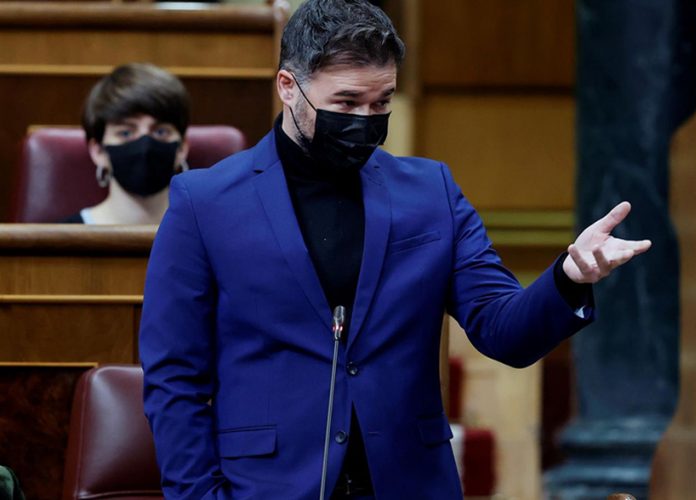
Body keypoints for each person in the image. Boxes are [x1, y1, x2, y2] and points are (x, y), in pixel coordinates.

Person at [138, 1, 651, 498]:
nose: (365, 119)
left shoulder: (432, 192)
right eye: (345, 103)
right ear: (288, 88)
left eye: (381, 102)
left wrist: (568, 278)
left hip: (409, 482)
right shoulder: (204, 203)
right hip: (269, 486)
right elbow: (175, 378)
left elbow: (503, 330)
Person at [62, 63, 190, 224]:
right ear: (98, 151)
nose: (145, 145)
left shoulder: (213, 236)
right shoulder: (59, 242)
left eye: (160, 132)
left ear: (182, 149)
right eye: (126, 133)